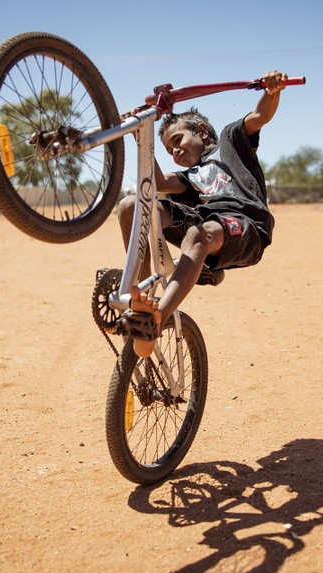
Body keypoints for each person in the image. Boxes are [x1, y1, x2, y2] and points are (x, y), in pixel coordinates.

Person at [117, 70, 289, 358]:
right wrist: (141, 136)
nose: (173, 151)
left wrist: (272, 91)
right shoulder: (189, 177)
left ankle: (156, 319)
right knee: (131, 206)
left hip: (247, 226)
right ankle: (143, 303)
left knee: (200, 233)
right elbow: (156, 182)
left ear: (202, 131)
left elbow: (259, 117)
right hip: (208, 224)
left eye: (177, 140)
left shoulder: (230, 140)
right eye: (168, 150)